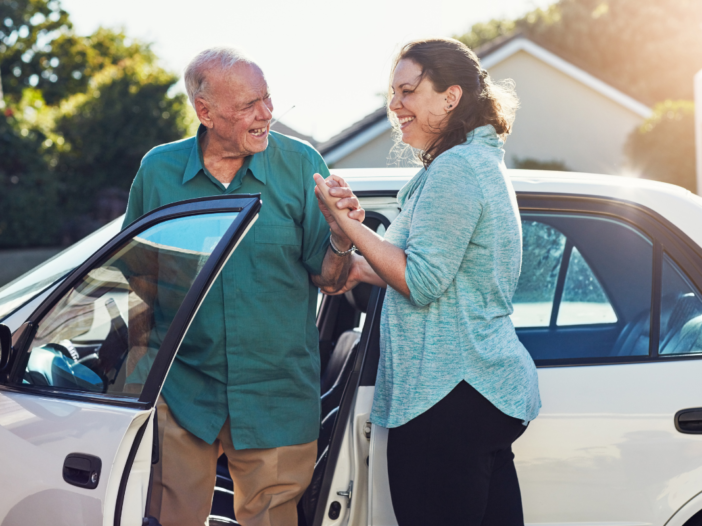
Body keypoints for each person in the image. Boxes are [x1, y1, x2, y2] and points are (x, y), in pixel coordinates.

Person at [122, 47, 363, 526]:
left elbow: (332, 280)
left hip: (276, 394)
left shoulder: (301, 165)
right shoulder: (158, 171)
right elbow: (137, 278)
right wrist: (138, 377)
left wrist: (340, 238)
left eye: (268, 99)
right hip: (183, 392)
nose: (266, 114)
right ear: (205, 112)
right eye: (249, 105)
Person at [314, 38, 541, 526]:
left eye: (408, 91)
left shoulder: (457, 170)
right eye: (392, 93)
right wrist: (355, 261)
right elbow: (425, 267)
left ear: (451, 97)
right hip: (478, 394)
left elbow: (421, 280)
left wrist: (350, 226)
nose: (395, 105)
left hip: (450, 396)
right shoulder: (469, 162)